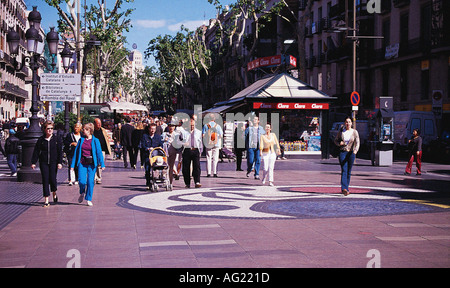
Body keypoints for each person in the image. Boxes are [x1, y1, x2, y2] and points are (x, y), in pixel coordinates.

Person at [70, 123, 105, 206]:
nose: (83, 131)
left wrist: (102, 164)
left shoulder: (95, 140)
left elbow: (99, 152)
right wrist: (72, 165)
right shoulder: (81, 140)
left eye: (85, 129)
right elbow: (76, 153)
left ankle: (89, 198)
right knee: (82, 181)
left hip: (92, 164)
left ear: (90, 131)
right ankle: (82, 192)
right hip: (82, 163)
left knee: (90, 182)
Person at [31, 121, 63, 207]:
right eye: (48, 128)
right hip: (44, 162)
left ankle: (54, 192)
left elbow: (60, 152)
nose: (50, 130)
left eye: (51, 129)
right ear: (44, 129)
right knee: (45, 180)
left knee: (52, 179)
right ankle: (46, 199)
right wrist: (33, 162)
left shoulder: (56, 139)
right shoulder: (41, 140)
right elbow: (36, 151)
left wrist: (59, 162)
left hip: (53, 162)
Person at [334, 116, 360, 196]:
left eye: (349, 122)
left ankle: (347, 188)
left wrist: (355, 150)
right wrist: (339, 143)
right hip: (343, 152)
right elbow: (335, 140)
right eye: (346, 122)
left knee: (349, 171)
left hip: (351, 153)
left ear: (351, 123)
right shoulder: (341, 131)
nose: (348, 123)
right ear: (344, 123)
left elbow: (357, 142)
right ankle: (344, 188)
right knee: (344, 170)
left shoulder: (354, 132)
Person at [140, 123, 163, 190]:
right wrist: (147, 148)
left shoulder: (157, 137)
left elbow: (161, 144)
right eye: (151, 129)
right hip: (147, 156)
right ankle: (148, 182)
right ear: (149, 129)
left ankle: (155, 182)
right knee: (147, 169)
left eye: (154, 129)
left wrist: (159, 148)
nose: (153, 130)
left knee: (156, 169)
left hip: (155, 156)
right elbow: (142, 145)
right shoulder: (145, 136)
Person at [181, 117, 202, 188]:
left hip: (195, 150)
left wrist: (200, 151)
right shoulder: (183, 132)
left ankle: (197, 181)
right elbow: (178, 141)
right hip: (187, 150)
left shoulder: (198, 132)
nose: (192, 127)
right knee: (186, 167)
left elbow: (200, 142)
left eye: (193, 125)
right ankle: (187, 183)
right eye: (190, 125)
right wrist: (183, 143)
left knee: (197, 166)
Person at [162, 120, 183, 185]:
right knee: (165, 166)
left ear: (175, 127)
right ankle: (165, 179)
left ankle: (170, 181)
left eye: (173, 126)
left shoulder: (177, 134)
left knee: (171, 166)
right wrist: (163, 140)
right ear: (168, 126)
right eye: (170, 126)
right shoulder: (164, 134)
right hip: (165, 152)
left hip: (173, 151)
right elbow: (160, 142)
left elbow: (180, 142)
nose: (171, 127)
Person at [202, 113, 223, 177]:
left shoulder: (206, 125)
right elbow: (221, 135)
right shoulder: (218, 126)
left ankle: (208, 173)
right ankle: (215, 172)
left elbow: (203, 135)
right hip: (216, 144)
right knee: (215, 158)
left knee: (208, 158)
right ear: (214, 119)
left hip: (208, 144)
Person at [93, 118, 111, 184]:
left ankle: (98, 177)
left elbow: (106, 138)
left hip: (102, 150)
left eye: (100, 123)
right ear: (94, 124)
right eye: (98, 123)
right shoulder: (92, 131)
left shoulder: (103, 130)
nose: (99, 124)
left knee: (100, 164)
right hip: (93, 150)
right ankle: (94, 177)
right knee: (94, 163)